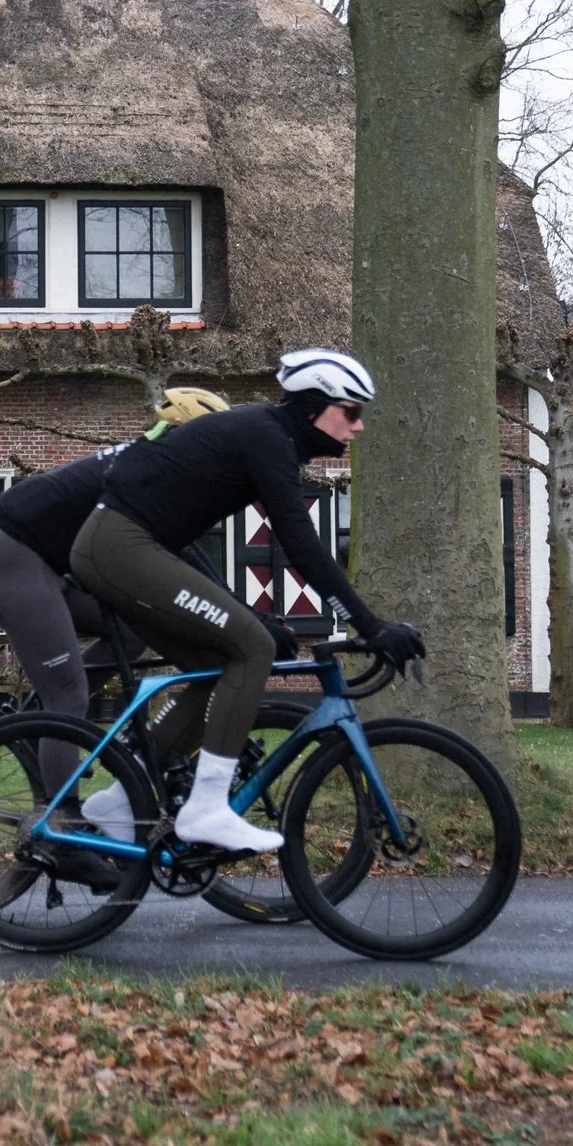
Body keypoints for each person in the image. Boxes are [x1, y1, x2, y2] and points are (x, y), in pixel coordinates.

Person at [69, 349, 426, 855]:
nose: (359, 426)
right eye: (352, 411)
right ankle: (206, 807)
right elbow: (300, 543)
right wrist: (369, 625)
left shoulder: (267, 435)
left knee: (218, 663)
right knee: (252, 649)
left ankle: (117, 802)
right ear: (313, 406)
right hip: (119, 548)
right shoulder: (266, 436)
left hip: (128, 546)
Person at [0, 388, 241, 811]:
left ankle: (49, 718)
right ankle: (63, 826)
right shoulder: (142, 471)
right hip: (14, 567)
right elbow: (182, 554)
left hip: (51, 570)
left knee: (135, 631)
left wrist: (236, 608)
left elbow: (181, 548)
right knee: (69, 696)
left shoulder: (153, 468)